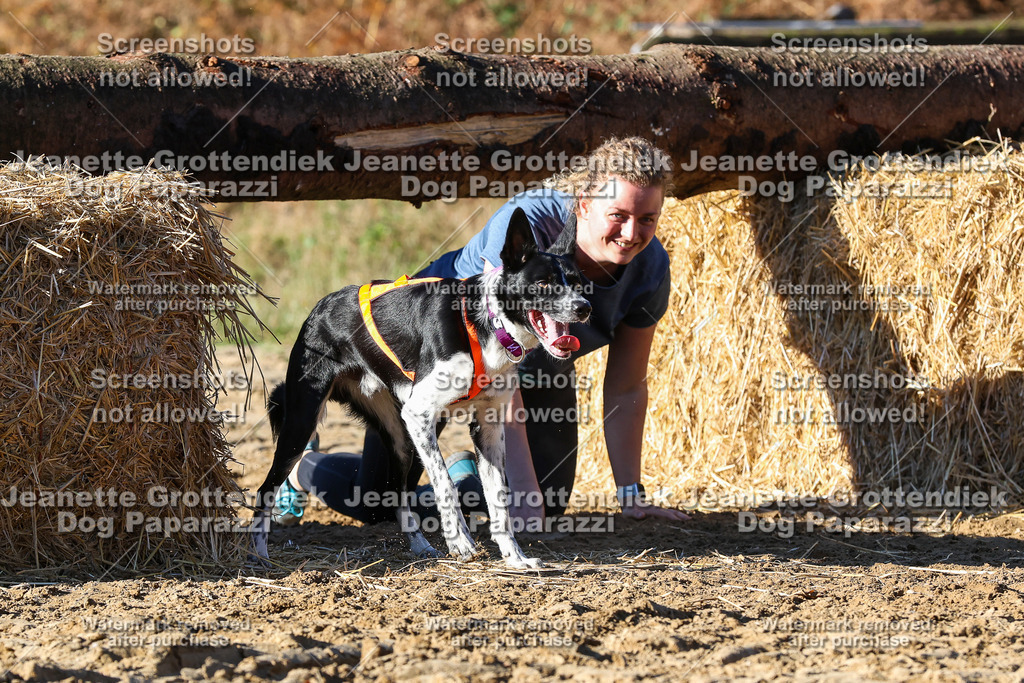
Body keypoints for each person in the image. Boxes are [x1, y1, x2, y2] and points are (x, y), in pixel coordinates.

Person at [271, 136, 689, 531]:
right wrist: (521, 492)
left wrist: (630, 495)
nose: (632, 234)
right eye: (618, 215)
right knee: (378, 502)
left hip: (535, 363)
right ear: (582, 205)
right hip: (434, 351)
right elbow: (497, 342)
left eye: (647, 219)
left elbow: (626, 385)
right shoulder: (527, 224)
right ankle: (302, 468)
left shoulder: (650, 267)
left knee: (549, 502)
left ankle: (463, 476)